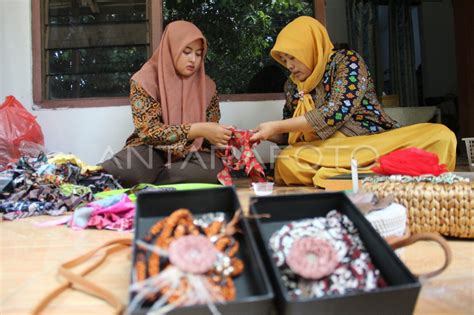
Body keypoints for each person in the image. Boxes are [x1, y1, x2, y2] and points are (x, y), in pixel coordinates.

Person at [250, 16, 456, 187]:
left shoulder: (346, 61)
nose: (290, 66)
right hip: (329, 151)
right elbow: (289, 136)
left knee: (440, 136)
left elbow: (335, 112)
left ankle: (353, 174)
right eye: (284, 61)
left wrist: (275, 126)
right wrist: (263, 134)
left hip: (373, 143)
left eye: (292, 57)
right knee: (287, 161)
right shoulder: (292, 86)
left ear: (308, 47)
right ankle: (381, 173)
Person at [101, 21, 231, 187]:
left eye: (199, 54)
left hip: (192, 152)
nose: (193, 59)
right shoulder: (145, 80)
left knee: (215, 169)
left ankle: (148, 179)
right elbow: (148, 131)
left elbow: (208, 133)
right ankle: (95, 175)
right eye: (186, 51)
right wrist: (196, 129)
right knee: (130, 169)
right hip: (151, 148)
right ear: (171, 49)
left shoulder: (208, 87)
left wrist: (221, 139)